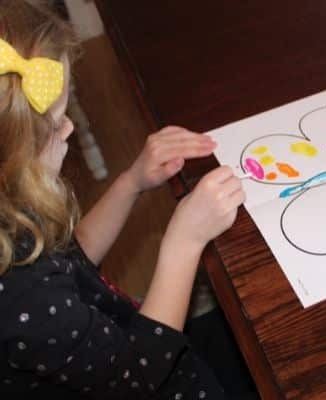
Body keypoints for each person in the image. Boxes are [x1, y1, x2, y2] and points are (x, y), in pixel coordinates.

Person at [0, 1, 255, 398]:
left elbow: (71, 258)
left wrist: (130, 182)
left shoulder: (12, 212)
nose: (68, 128)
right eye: (53, 126)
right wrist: (183, 243)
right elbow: (138, 374)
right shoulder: (23, 300)